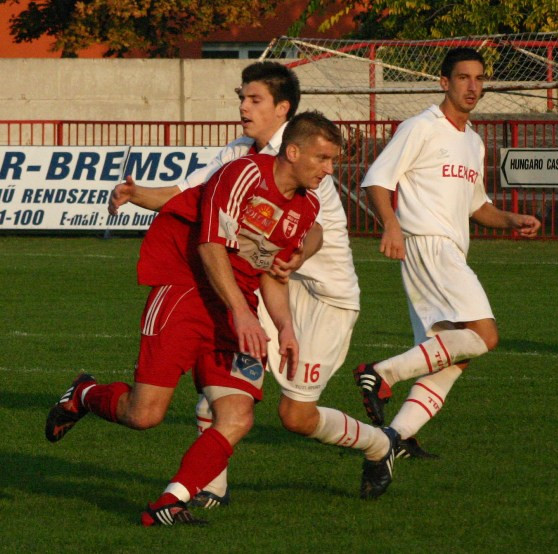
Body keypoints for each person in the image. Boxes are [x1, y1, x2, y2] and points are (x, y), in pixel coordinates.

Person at [45, 111, 397, 527]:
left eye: (333, 161)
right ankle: (84, 394)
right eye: (322, 159)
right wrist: (243, 313)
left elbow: (270, 275)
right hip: (185, 293)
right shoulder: (242, 173)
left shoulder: (305, 207)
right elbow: (210, 245)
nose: (329, 170)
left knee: (237, 417)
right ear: (294, 151)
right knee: (144, 415)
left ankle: (169, 503)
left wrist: (284, 326)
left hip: (237, 309)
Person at [108, 61, 424, 510]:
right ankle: (207, 489)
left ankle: (378, 445)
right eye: (242, 97)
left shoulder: (308, 159)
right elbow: (192, 197)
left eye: (253, 99)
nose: (243, 107)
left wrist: (296, 256)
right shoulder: (240, 155)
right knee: (222, 390)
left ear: (283, 109)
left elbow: (315, 229)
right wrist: (137, 194)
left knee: (295, 416)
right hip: (269, 285)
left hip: (325, 298)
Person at [355, 48, 541, 450]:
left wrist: (511, 219)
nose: (472, 86)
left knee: (452, 355)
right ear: (444, 82)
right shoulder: (421, 127)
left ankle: (397, 436)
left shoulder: (473, 142)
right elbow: (377, 179)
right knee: (484, 335)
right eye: (463, 77)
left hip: (451, 250)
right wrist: (391, 225)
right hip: (428, 245)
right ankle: (380, 373)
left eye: (478, 78)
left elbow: (478, 206)